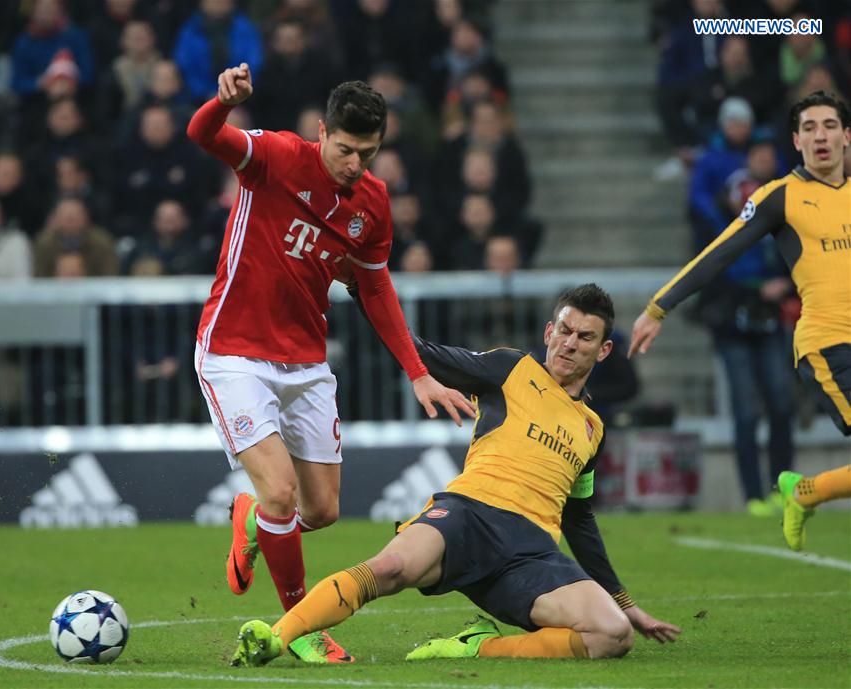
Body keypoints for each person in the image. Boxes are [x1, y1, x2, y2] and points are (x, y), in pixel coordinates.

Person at [186, 63, 475, 664]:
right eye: (345, 149)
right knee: (281, 493)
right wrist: (223, 103)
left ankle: (252, 522)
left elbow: (375, 286)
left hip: (306, 363)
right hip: (234, 352)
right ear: (322, 132)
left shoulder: (373, 202)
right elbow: (202, 135)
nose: (354, 164)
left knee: (320, 510)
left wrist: (418, 371)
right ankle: (302, 627)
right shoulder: (274, 157)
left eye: (367, 153)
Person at [229, 284, 681, 668]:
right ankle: (276, 638)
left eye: (585, 337)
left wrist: (624, 603)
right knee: (389, 569)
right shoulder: (510, 370)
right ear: (549, 332)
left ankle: (478, 647)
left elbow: (579, 519)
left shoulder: (593, 429)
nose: (570, 343)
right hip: (468, 515)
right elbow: (421, 352)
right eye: (564, 331)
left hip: (531, 554)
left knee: (612, 635)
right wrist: (364, 290)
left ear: (603, 350)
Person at [629, 91, 851, 551]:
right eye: (809, 128)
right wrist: (658, 306)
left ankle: (805, 492)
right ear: (796, 141)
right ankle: (802, 493)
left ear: (846, 136)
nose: (820, 136)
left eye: (829, 126)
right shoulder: (780, 197)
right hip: (829, 344)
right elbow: (720, 251)